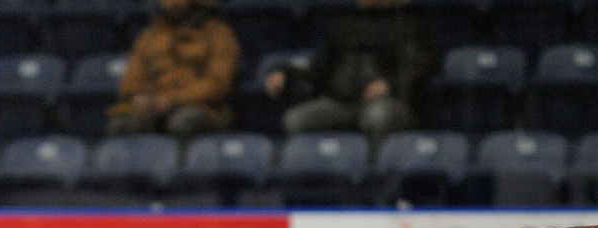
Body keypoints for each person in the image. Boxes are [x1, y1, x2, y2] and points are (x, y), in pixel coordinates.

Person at [264, 0, 437, 143]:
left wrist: (389, 84)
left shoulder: (405, 23)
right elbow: (319, 68)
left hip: (389, 103)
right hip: (342, 104)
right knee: (296, 119)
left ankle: (376, 176)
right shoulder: (344, 23)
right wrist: (286, 73)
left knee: (377, 116)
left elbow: (423, 65)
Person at [106, 0, 239, 138]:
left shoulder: (219, 34)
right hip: (154, 104)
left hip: (200, 107)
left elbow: (218, 84)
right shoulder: (151, 35)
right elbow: (132, 77)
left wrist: (172, 100)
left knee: (183, 122)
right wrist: (136, 96)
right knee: (122, 124)